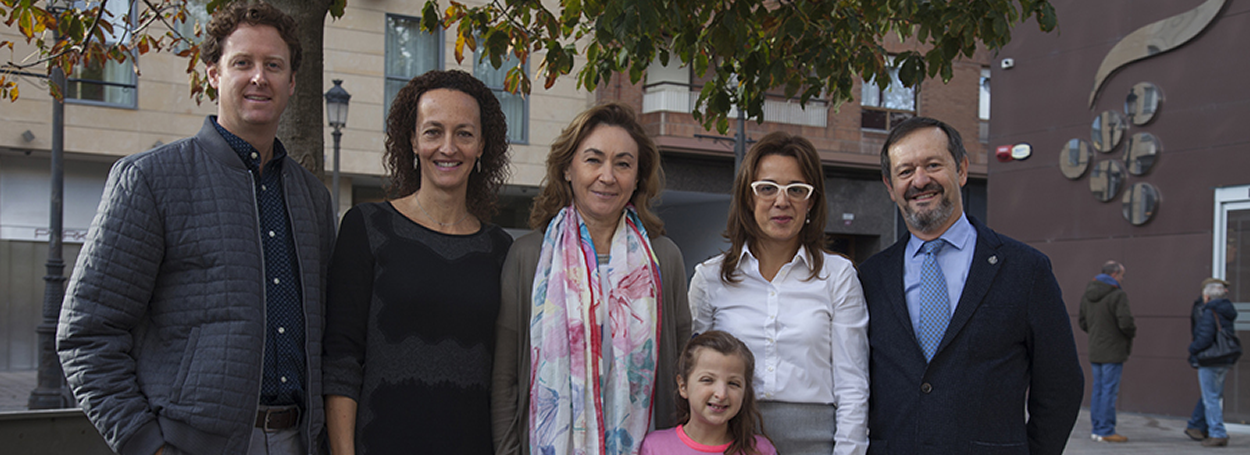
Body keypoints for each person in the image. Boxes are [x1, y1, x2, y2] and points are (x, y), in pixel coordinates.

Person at [57, 3, 335, 455]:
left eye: (274, 65)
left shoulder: (312, 199)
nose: (259, 77)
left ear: (292, 82)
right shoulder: (150, 179)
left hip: (298, 441)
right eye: (242, 63)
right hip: (188, 444)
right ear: (212, 74)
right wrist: (145, 443)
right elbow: (87, 334)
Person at [858, 116, 1083, 455]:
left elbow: (1060, 385)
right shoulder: (870, 277)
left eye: (933, 165)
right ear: (890, 187)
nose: (920, 180)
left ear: (961, 169)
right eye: (905, 171)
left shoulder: (1026, 270)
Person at [321, 70, 512, 454]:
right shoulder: (366, 227)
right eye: (433, 131)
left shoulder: (501, 248)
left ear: (481, 146)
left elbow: (505, 376)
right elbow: (341, 360)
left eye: (464, 133)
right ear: (411, 140)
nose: (448, 147)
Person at [491, 102, 691, 455]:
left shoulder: (666, 258)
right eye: (593, 159)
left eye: (623, 164)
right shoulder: (528, 256)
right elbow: (506, 380)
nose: (608, 176)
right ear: (568, 168)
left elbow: (682, 375)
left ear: (638, 177)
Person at [688, 132, 868, 455]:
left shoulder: (838, 276)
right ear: (748, 197)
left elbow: (853, 385)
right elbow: (693, 377)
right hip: (729, 440)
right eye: (767, 188)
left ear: (811, 201)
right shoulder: (709, 279)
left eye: (796, 190)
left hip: (816, 444)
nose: (781, 201)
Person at [640, 331, 778, 455]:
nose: (721, 394)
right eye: (707, 380)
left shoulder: (760, 450)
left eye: (733, 383)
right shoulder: (654, 447)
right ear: (683, 386)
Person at [1078, 260, 1136, 443]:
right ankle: (1105, 429)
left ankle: (1097, 428)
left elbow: (1082, 321)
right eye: (1121, 275)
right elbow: (1125, 322)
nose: (1122, 279)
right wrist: (1130, 333)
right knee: (1109, 391)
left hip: (1095, 347)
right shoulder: (1117, 295)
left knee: (1098, 389)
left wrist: (1096, 332)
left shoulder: (1088, 294)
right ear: (1114, 275)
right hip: (1113, 349)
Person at [1184, 277, 1238, 447]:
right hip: (1224, 358)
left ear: (1206, 296)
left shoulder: (1209, 311)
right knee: (1213, 395)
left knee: (1210, 397)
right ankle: (1199, 426)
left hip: (1210, 359)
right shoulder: (1226, 309)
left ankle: (1217, 433)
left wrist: (1192, 349)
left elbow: (1205, 337)